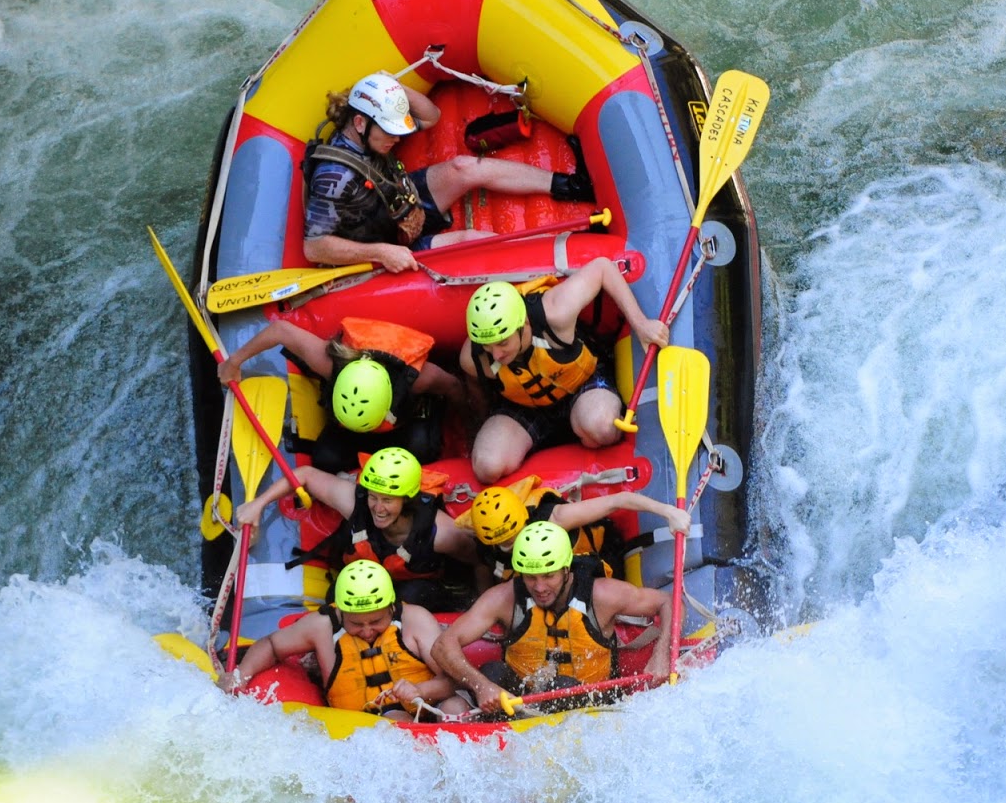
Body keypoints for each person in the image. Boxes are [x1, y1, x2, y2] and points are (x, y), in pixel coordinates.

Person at [303, 72, 596, 274]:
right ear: (359, 123)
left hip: (401, 202)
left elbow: (431, 116)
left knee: (463, 167)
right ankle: (567, 251)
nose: (397, 140)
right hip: (390, 243)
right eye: (391, 132)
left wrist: (393, 88)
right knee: (471, 239)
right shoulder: (335, 178)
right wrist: (381, 253)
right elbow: (314, 248)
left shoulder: (373, 133)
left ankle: (573, 186)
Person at [458, 262, 670, 483]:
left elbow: (602, 268)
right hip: (525, 406)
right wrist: (479, 424)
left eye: (503, 342)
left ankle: (584, 430)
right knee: (487, 467)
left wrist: (641, 324)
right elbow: (477, 392)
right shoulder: (473, 358)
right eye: (487, 345)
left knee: (601, 427)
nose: (496, 354)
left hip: (581, 382)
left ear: (525, 324)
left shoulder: (555, 311)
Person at [432, 521, 674, 714]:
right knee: (492, 672)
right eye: (530, 576)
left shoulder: (602, 594)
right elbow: (442, 646)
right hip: (520, 706)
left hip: (591, 707)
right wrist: (481, 685)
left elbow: (667, 602)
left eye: (549, 576)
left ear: (566, 568)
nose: (539, 587)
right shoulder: (503, 598)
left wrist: (661, 652)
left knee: (563, 688)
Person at [234, 446, 480, 612]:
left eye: (387, 500)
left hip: (413, 590)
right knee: (336, 597)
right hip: (361, 578)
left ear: (407, 499)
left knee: (412, 596)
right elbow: (306, 475)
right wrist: (258, 504)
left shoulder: (442, 534)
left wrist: (480, 605)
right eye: (374, 497)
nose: (378, 508)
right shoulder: (356, 502)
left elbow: (479, 560)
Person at [216, 560, 470, 719]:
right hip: (355, 728)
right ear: (341, 611)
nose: (367, 630)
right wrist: (241, 674)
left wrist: (420, 690)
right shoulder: (322, 625)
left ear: (391, 607)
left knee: (456, 707)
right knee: (392, 722)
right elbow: (271, 645)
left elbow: (453, 680)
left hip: (424, 715)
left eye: (376, 622)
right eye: (356, 624)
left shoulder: (415, 620)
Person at [216, 315, 461, 472]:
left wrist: (469, 423)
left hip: (403, 423)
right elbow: (281, 330)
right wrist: (233, 362)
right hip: (350, 425)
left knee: (424, 451)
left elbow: (454, 388)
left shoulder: (418, 378)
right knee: (325, 458)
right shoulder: (328, 362)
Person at [464, 481, 690, 589]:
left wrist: (669, 512)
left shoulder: (555, 517)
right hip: (543, 584)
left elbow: (618, 500)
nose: (509, 543)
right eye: (502, 542)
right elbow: (484, 567)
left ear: (524, 519)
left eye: (513, 537)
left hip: (595, 560)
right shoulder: (486, 543)